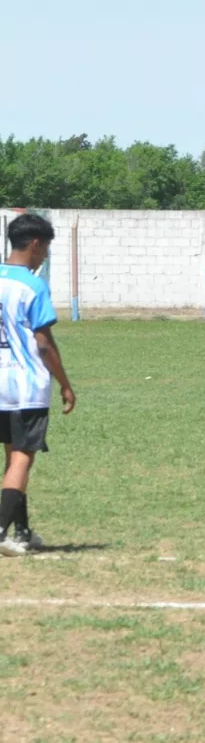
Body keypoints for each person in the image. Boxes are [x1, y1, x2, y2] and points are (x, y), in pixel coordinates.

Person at [0, 215, 75, 557]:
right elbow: (43, 342)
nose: (45, 255)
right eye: (45, 248)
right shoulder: (33, 285)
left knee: (11, 457)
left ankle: (22, 531)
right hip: (25, 384)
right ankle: (1, 531)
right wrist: (65, 384)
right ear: (34, 244)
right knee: (21, 459)